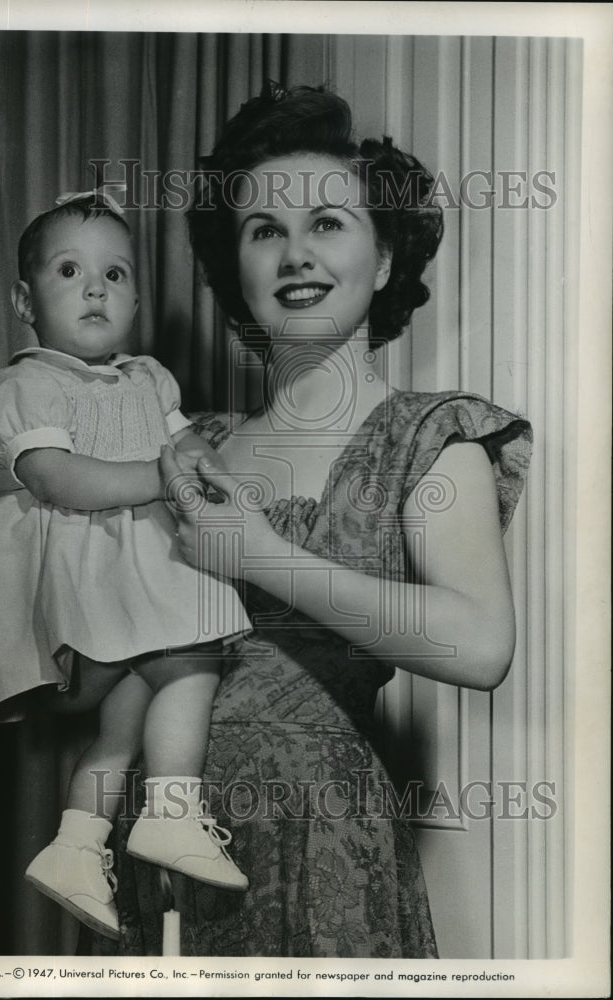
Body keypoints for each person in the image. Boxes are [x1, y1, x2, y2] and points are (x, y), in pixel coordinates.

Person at [95, 84, 532, 957]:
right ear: (237, 268)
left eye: (327, 223)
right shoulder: (188, 446)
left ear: (385, 260)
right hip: (154, 840)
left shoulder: (429, 437)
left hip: (320, 838)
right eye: (265, 231)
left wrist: (259, 554)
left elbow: (481, 646)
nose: (295, 254)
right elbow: (98, 662)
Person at [0, 191, 251, 942]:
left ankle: (74, 846)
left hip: (127, 580)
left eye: (115, 275)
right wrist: (161, 477)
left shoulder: (149, 379)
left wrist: (205, 464)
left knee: (126, 718)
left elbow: (184, 443)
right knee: (193, 658)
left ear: (135, 300)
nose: (96, 289)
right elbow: (59, 479)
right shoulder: (24, 386)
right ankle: (173, 810)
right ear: (24, 302)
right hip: (77, 574)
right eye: (70, 271)